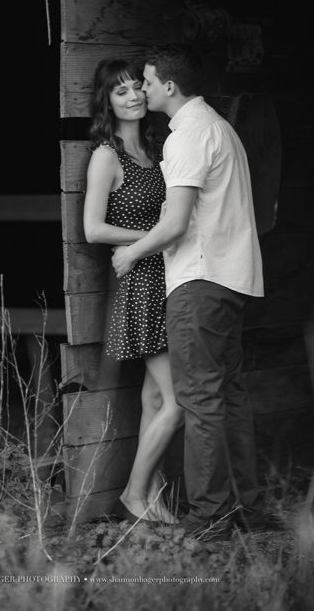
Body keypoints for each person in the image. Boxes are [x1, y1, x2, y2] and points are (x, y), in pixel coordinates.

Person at [112, 44, 266, 540]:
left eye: (148, 82)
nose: (143, 89)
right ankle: (248, 507)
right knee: (230, 395)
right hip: (230, 279)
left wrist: (132, 252)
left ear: (169, 86)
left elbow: (175, 223)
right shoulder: (220, 128)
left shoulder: (188, 136)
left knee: (199, 400)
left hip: (198, 281)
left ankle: (207, 518)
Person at [83, 59, 183, 524]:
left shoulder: (156, 148)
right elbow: (93, 230)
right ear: (107, 102)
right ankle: (133, 494)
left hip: (170, 272)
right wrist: (150, 236)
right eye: (120, 92)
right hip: (141, 279)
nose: (134, 97)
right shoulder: (107, 155)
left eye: (136, 88)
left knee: (154, 398)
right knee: (177, 399)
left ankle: (153, 496)